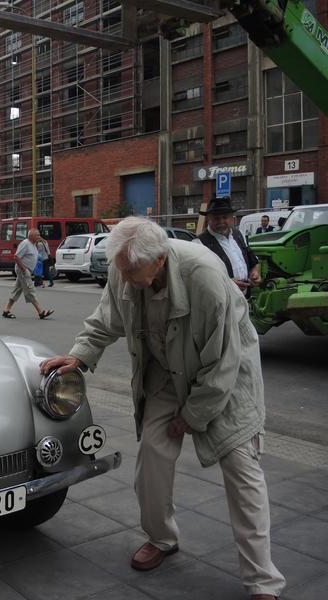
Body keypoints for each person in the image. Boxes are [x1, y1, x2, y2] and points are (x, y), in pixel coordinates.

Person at [39, 217, 285, 600]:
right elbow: (105, 320)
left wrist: (193, 416)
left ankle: (262, 581)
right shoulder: (126, 268)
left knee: (241, 467)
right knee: (152, 456)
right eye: (121, 270)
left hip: (225, 378)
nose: (125, 278)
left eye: (133, 272)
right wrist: (79, 356)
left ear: (158, 260)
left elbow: (223, 358)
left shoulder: (203, 275)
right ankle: (162, 538)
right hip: (166, 373)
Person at [195, 197, 261, 296]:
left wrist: (255, 274)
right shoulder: (199, 243)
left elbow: (253, 262)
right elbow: (199, 278)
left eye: (225, 217)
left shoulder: (239, 235)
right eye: (216, 218)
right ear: (209, 219)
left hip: (244, 299)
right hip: (220, 303)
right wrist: (227, 283)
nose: (221, 221)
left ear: (232, 218)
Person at [1, 228, 54, 319]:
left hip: (27, 271)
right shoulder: (25, 244)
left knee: (16, 291)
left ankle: (6, 311)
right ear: (31, 236)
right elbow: (16, 257)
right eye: (37, 235)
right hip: (23, 271)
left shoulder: (33, 244)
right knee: (30, 290)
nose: (39, 236)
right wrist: (25, 270)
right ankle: (41, 312)